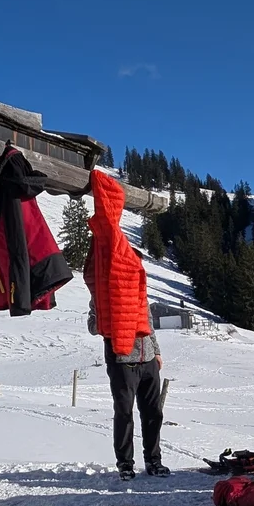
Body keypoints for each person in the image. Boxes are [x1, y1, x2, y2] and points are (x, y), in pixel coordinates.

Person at [82, 169, 170, 480]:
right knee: (124, 414)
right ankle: (126, 465)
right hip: (121, 360)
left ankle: (154, 461)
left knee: (153, 414)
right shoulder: (102, 293)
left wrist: (157, 353)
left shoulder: (137, 292)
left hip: (147, 359)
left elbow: (148, 321)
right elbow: (94, 327)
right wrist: (100, 317)